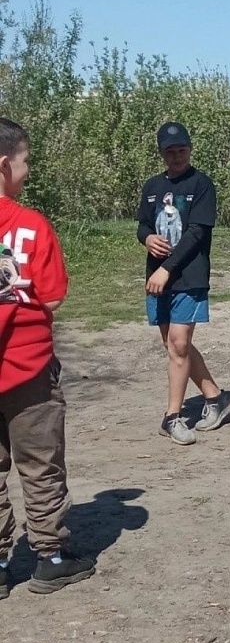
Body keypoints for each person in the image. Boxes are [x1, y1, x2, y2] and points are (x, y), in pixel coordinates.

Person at [0, 117, 95, 597]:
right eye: (26, 161)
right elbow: (53, 297)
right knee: (40, 464)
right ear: (5, 164)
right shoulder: (31, 225)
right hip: (28, 367)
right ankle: (50, 557)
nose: (28, 170)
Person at [137, 122, 230, 445]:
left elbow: (196, 233)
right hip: (157, 278)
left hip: (188, 276)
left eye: (182, 150)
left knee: (179, 345)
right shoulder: (152, 186)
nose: (177, 156)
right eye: (170, 152)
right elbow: (142, 224)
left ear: (190, 150)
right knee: (174, 346)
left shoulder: (202, 184)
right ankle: (215, 397)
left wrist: (167, 269)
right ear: (161, 153)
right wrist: (147, 238)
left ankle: (172, 417)